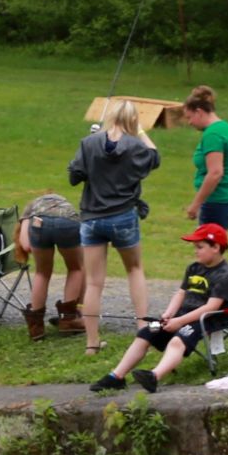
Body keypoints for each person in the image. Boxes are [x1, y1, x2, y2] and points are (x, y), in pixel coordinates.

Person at [93, 224, 228, 394]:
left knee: (178, 340)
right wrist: (169, 313)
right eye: (195, 247)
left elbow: (211, 307)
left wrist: (179, 322)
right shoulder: (194, 268)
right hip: (181, 316)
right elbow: (180, 293)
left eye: (200, 247)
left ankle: (154, 376)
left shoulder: (225, 275)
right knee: (147, 331)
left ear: (216, 247)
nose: (195, 251)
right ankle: (116, 377)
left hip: (207, 320)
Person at [69, 100, 162, 355]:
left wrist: (90, 146)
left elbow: (74, 176)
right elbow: (155, 158)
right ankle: (143, 332)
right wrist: (142, 132)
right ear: (133, 120)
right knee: (134, 269)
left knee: (95, 282)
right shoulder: (135, 146)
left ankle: (92, 342)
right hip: (122, 217)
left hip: (92, 218)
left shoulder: (89, 144)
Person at [19, 193, 89, 340]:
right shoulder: (65, 206)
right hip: (67, 223)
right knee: (76, 268)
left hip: (39, 224)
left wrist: (42, 249)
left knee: (42, 273)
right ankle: (69, 319)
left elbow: (25, 244)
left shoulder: (30, 210)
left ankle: (36, 328)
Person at [180, 86, 228, 228]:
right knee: (212, 247)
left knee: (206, 248)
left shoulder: (213, 135)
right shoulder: (226, 128)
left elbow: (215, 173)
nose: (189, 123)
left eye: (189, 117)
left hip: (218, 201)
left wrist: (195, 205)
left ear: (199, 112)